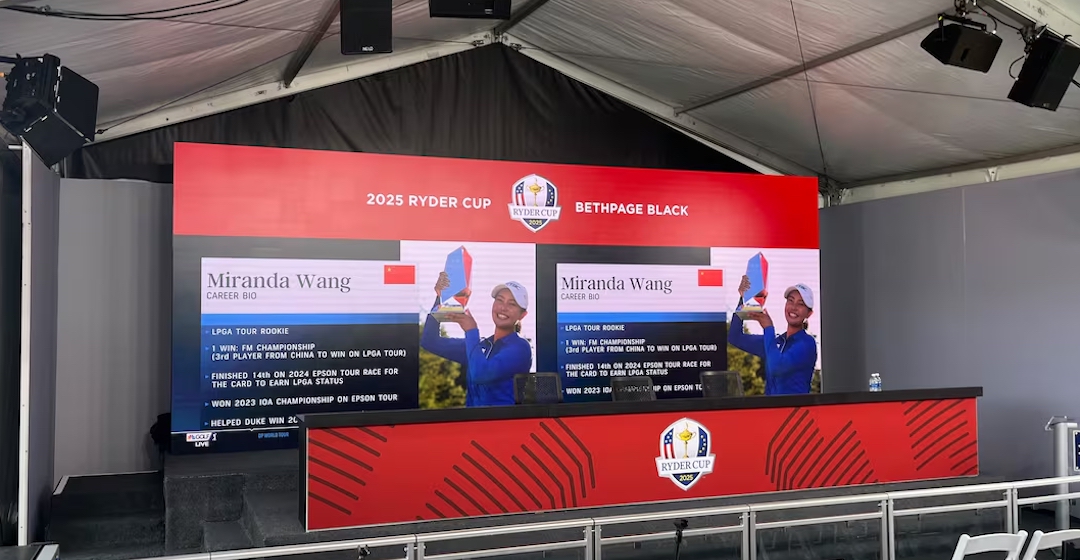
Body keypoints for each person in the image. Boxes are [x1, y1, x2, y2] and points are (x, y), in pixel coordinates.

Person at [421, 272, 532, 407]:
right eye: (499, 300)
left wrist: (471, 330)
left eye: (512, 304)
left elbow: (481, 374)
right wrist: (440, 298)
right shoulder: (480, 345)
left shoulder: (521, 347)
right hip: (472, 420)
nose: (503, 307)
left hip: (503, 420)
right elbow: (429, 341)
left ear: (522, 315)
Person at [728, 275, 817, 395]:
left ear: (809, 313)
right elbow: (735, 337)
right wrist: (743, 299)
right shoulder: (777, 341)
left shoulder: (807, 343)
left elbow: (777, 368)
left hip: (795, 407)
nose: (794, 307)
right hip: (770, 407)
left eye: (800, 304)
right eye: (790, 301)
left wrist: (768, 327)